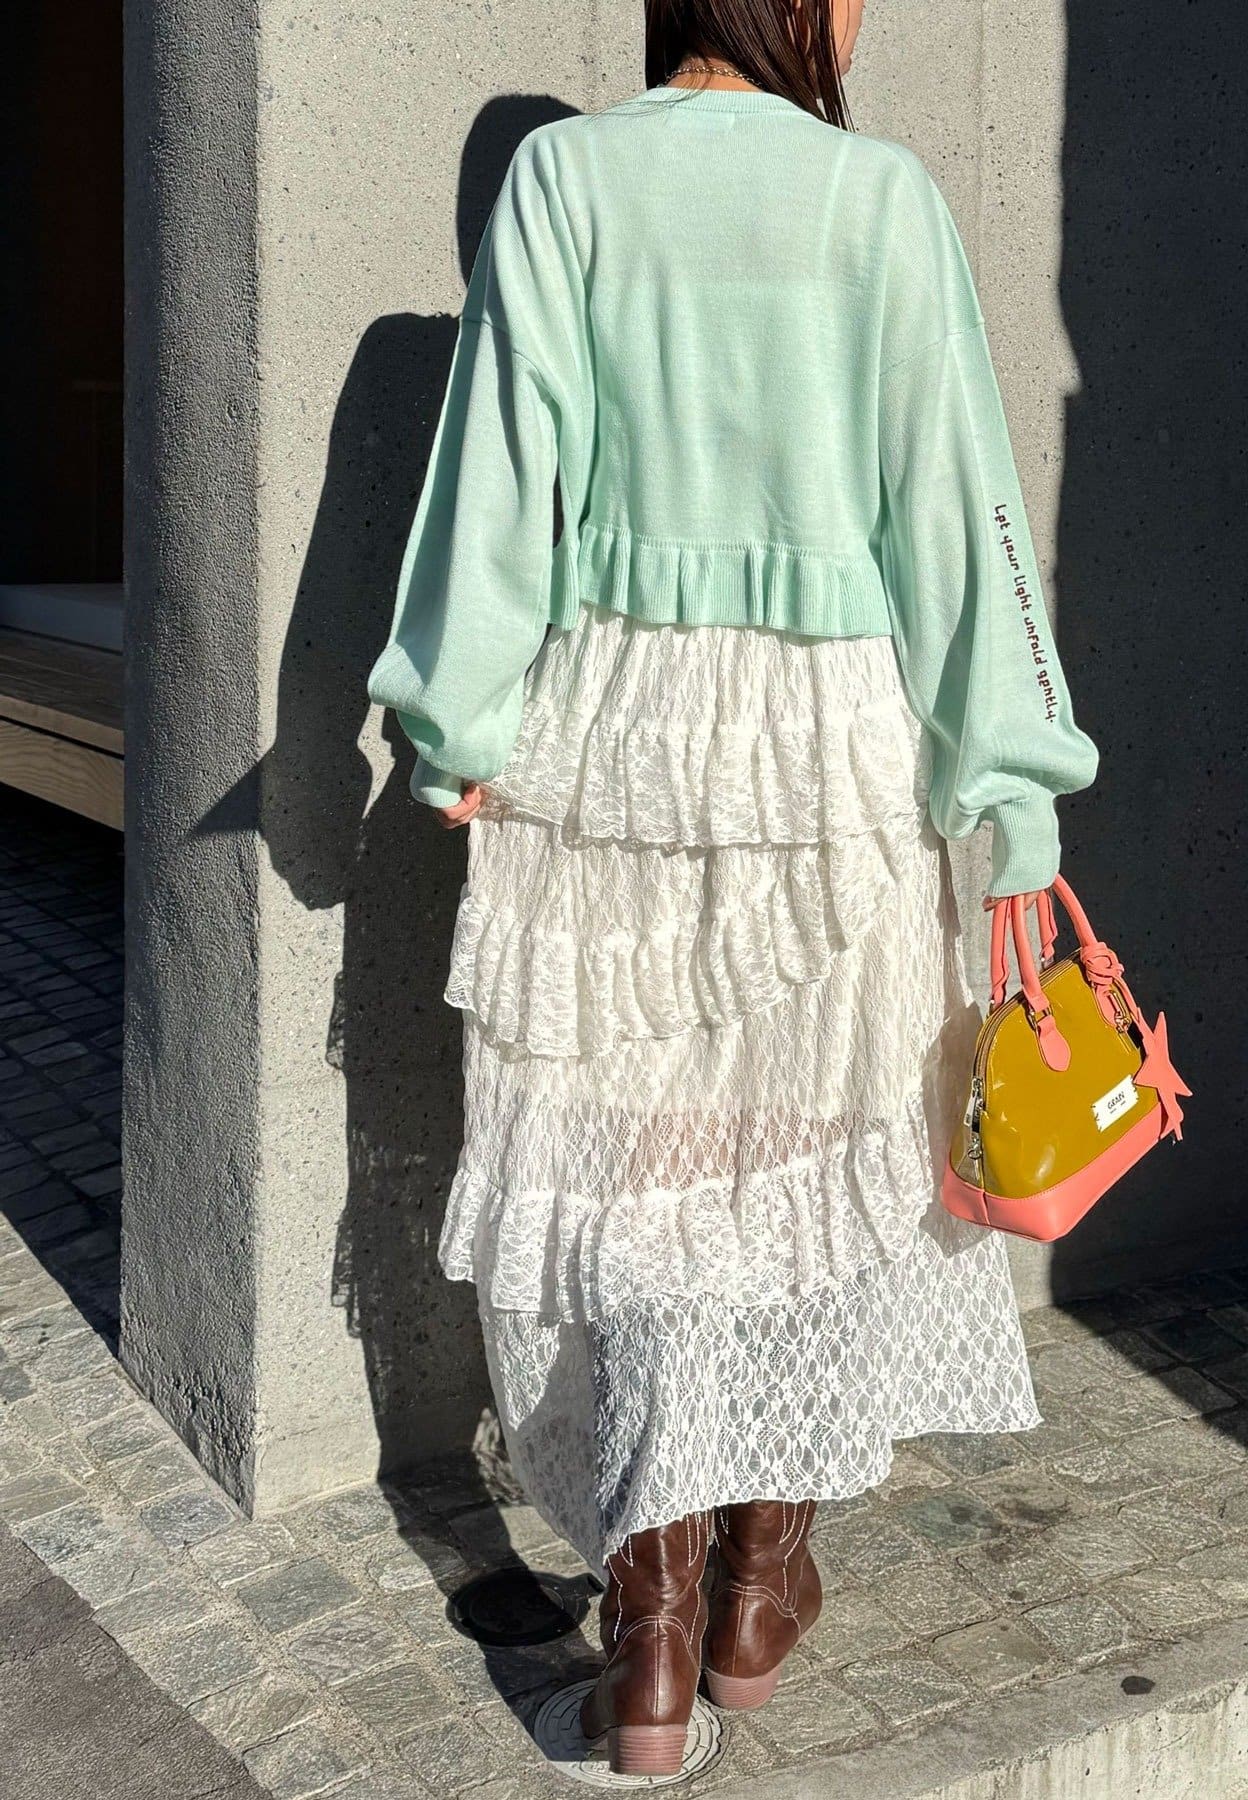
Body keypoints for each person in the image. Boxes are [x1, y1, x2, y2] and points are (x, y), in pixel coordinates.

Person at [367, 0, 1099, 1776]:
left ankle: (654, 1639)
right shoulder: (880, 196)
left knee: (642, 1171)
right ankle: (760, 1588)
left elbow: (497, 476)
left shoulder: (561, 179)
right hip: (828, 744)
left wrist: (455, 720)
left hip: (617, 727)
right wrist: (1009, 773)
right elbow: (956, 508)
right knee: (810, 1152)